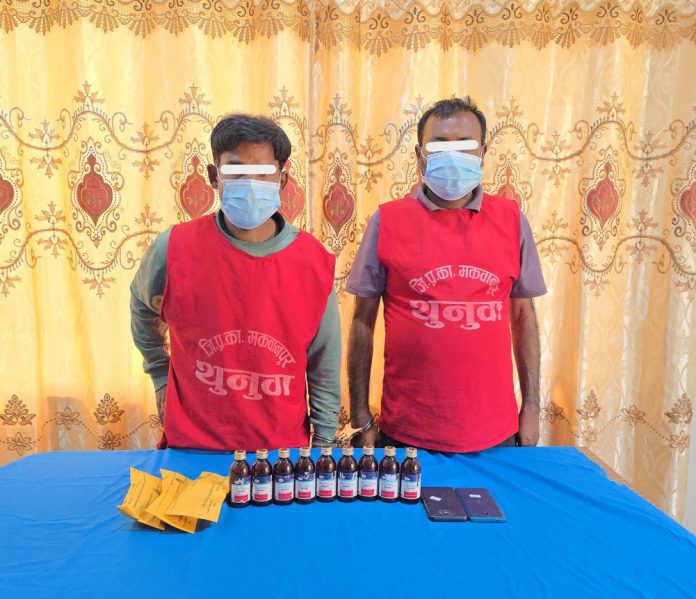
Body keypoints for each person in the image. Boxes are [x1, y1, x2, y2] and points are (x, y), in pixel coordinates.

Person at [347, 96, 546, 452]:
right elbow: (363, 320)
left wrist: (531, 408)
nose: (452, 156)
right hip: (407, 432)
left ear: (483, 152)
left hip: (496, 433)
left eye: (465, 146)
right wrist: (361, 417)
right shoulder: (387, 221)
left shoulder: (512, 220)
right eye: (438, 146)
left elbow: (523, 316)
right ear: (419, 155)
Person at [130, 114, 341, 450]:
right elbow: (142, 306)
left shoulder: (313, 262)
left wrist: (324, 442)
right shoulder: (174, 249)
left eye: (263, 173)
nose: (250, 183)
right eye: (236, 171)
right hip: (192, 446)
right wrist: (159, 374)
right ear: (214, 176)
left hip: (279, 452)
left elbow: (324, 361)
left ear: (283, 179)